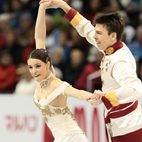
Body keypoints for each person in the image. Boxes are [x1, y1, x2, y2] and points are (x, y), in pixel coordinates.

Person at [38, 0, 142, 142]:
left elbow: (136, 89)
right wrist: (64, 6)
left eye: (98, 33)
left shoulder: (119, 60)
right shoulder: (111, 47)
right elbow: (86, 29)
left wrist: (104, 97)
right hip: (119, 121)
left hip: (128, 126)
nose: (94, 36)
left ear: (112, 36)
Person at [27, 2, 102, 142]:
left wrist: (93, 98)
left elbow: (78, 93)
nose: (34, 71)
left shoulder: (56, 84)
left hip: (73, 138)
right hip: (61, 138)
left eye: (37, 66)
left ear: (48, 65)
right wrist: (42, 8)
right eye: (30, 67)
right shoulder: (41, 82)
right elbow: (39, 37)